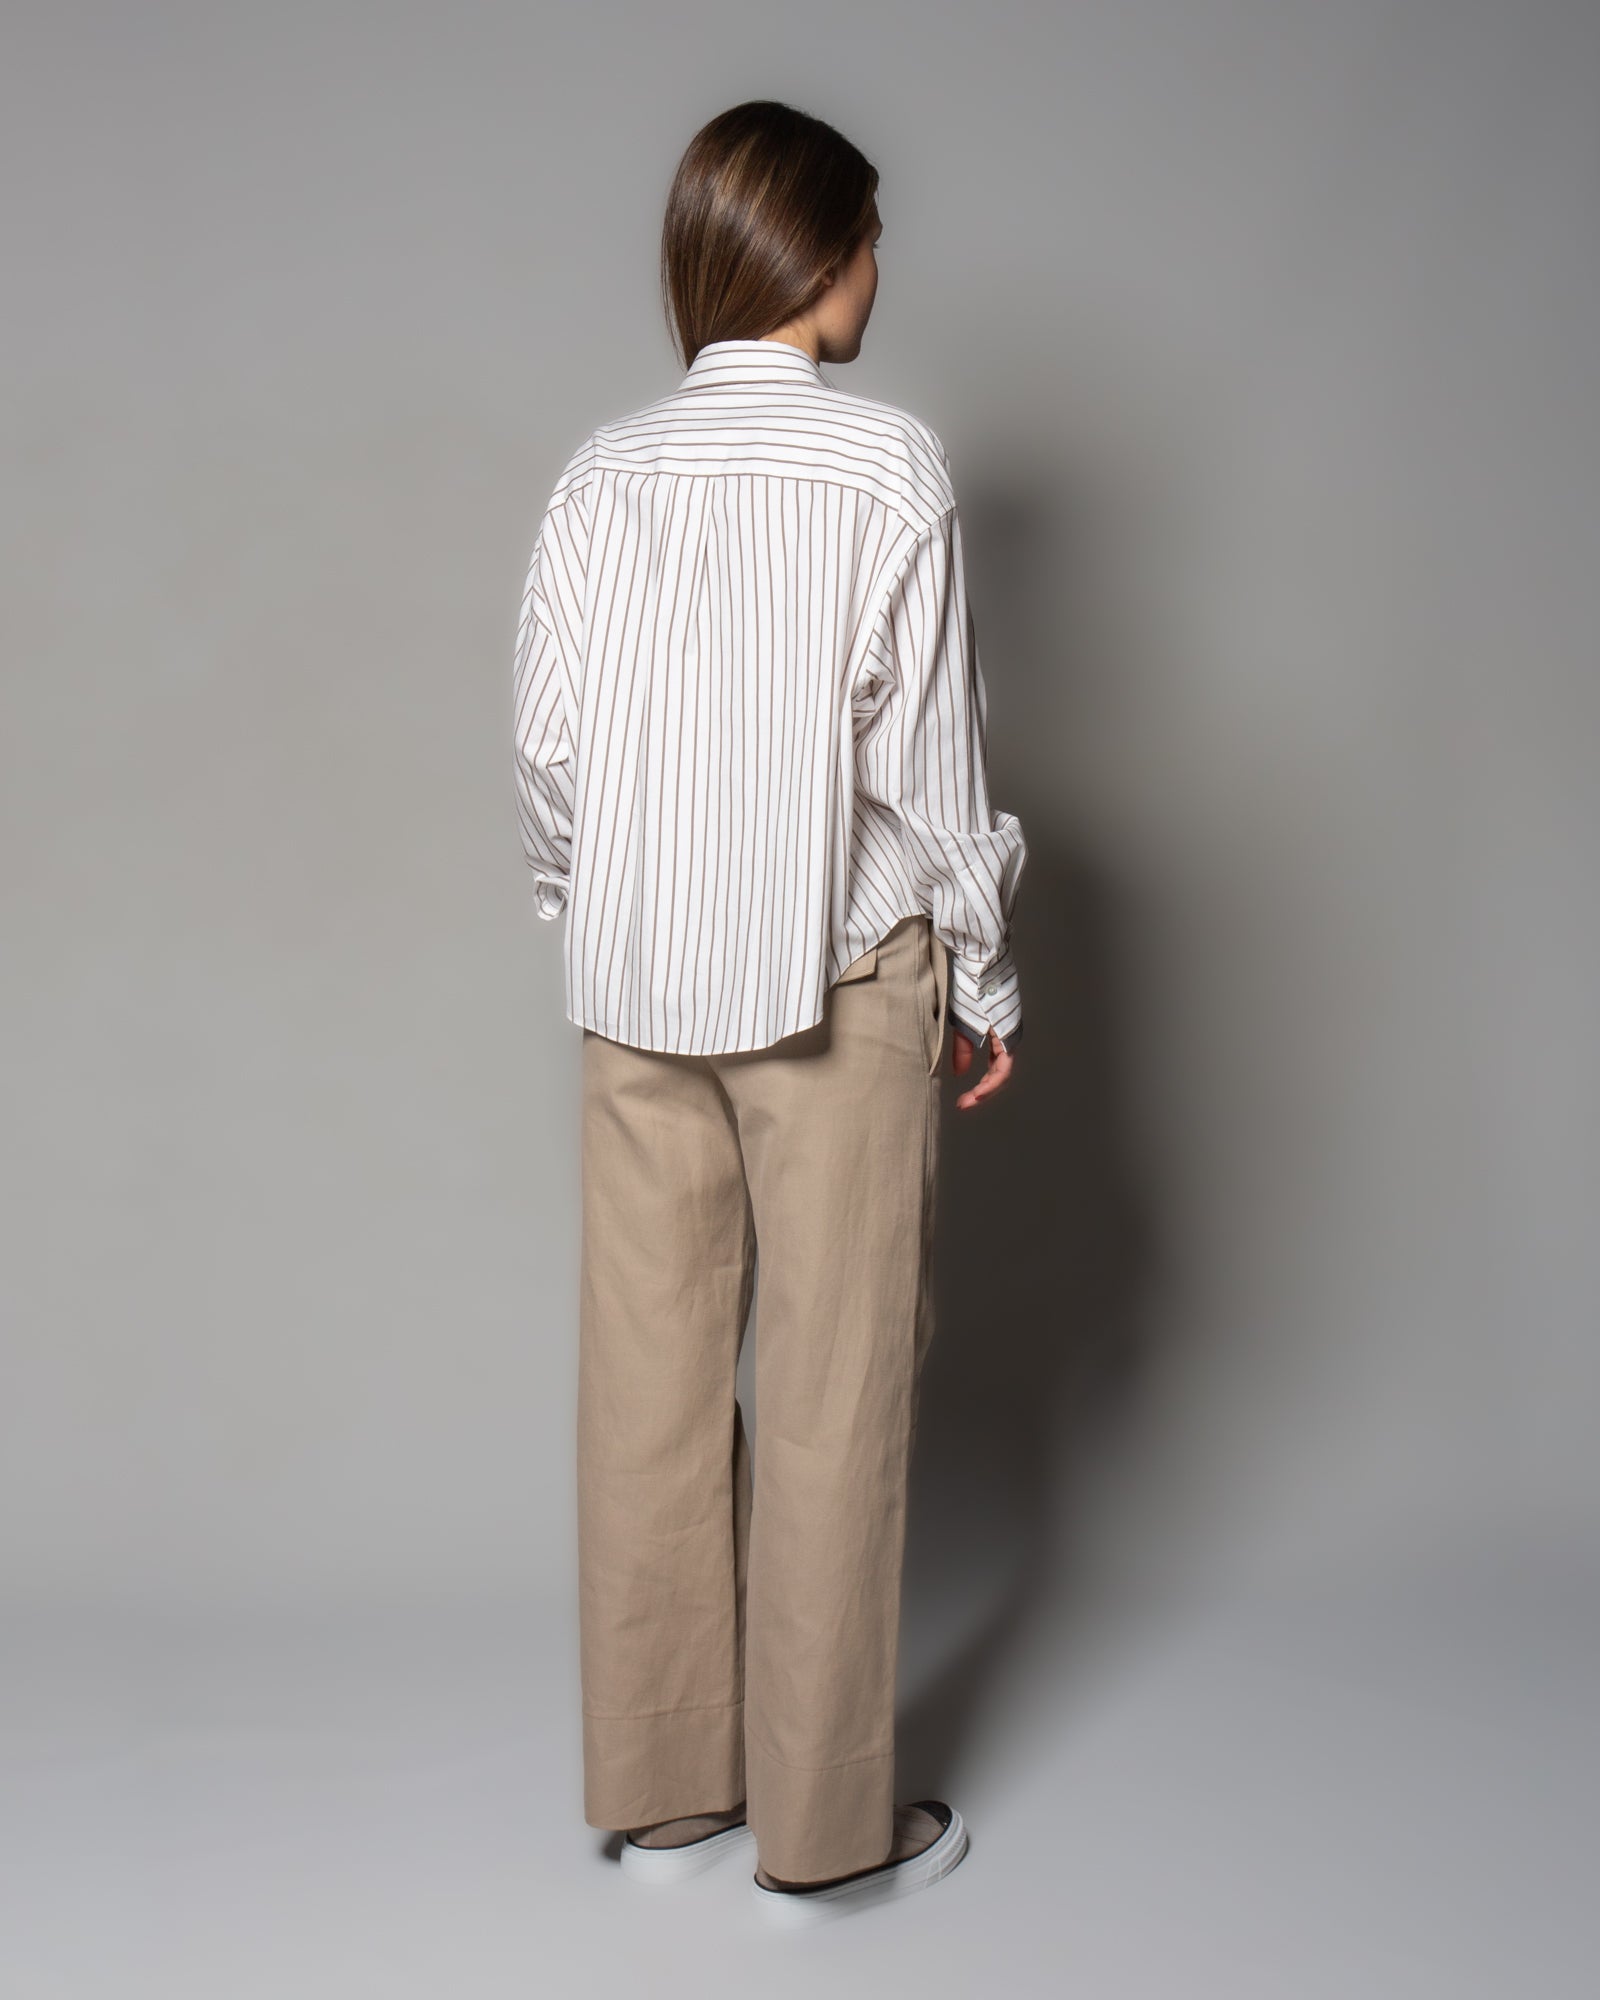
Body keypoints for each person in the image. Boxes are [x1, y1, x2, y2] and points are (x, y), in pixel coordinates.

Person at [512, 99, 1027, 1923]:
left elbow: (550, 755)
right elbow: (935, 775)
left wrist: (592, 909)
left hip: (638, 992)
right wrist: (988, 972)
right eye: (870, 236)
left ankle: (667, 1798)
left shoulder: (602, 474)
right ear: (817, 255)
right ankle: (821, 1831)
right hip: (836, 980)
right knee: (831, 1393)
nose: (882, 267)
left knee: (648, 1384)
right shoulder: (887, 467)